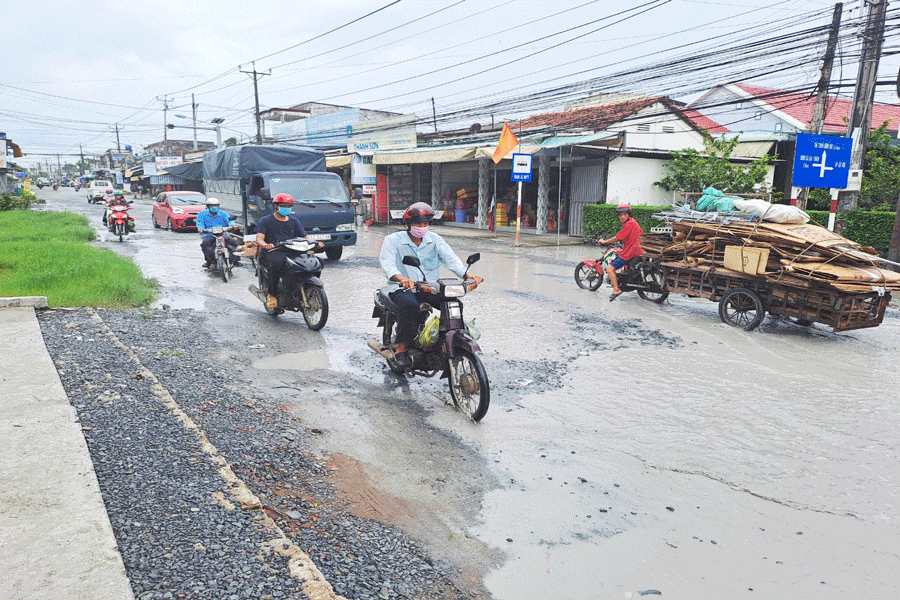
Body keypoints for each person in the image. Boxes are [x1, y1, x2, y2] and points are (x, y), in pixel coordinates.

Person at [378, 202, 483, 367]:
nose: (422, 227)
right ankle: (401, 348)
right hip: (402, 288)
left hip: (430, 287)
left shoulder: (434, 240)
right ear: (408, 225)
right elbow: (387, 264)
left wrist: (467, 274)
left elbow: (450, 259)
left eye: (425, 224)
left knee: (454, 304)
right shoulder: (393, 240)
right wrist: (401, 278)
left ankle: (442, 342)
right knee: (410, 306)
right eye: (417, 224)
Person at [255, 193, 322, 309]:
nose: (286, 209)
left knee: (315, 262)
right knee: (276, 264)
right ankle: (272, 294)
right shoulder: (265, 220)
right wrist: (266, 245)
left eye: (289, 206)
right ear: (275, 206)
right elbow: (259, 239)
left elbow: (305, 237)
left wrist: (315, 243)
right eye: (283, 206)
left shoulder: (294, 221)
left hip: (293, 250)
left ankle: (308, 289)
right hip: (274, 251)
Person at [597, 203, 644, 301]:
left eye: (624, 214)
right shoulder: (633, 222)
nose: (622, 217)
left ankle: (616, 289)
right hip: (638, 250)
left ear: (629, 214)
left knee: (610, 269)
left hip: (630, 252)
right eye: (620, 215)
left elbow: (618, 237)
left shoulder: (629, 224)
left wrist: (605, 241)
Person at [196, 198, 241, 269]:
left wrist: (233, 226)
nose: (214, 207)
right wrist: (201, 229)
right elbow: (200, 223)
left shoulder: (223, 214)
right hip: (208, 234)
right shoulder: (202, 214)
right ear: (208, 206)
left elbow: (229, 221)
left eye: (215, 205)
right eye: (211, 206)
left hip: (222, 234)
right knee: (205, 244)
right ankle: (209, 261)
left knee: (234, 243)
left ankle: (236, 260)